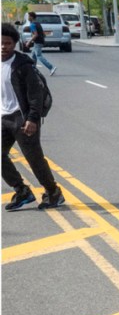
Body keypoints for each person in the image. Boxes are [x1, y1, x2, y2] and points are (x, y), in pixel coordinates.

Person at [2, 23, 64, 210]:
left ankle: (53, 192)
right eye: (0, 43)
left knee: (33, 158)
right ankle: (22, 190)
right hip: (3, 117)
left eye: (8, 43)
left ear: (15, 44)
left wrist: (33, 119)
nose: (3, 47)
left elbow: (35, 95)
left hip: (22, 118)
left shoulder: (23, 66)